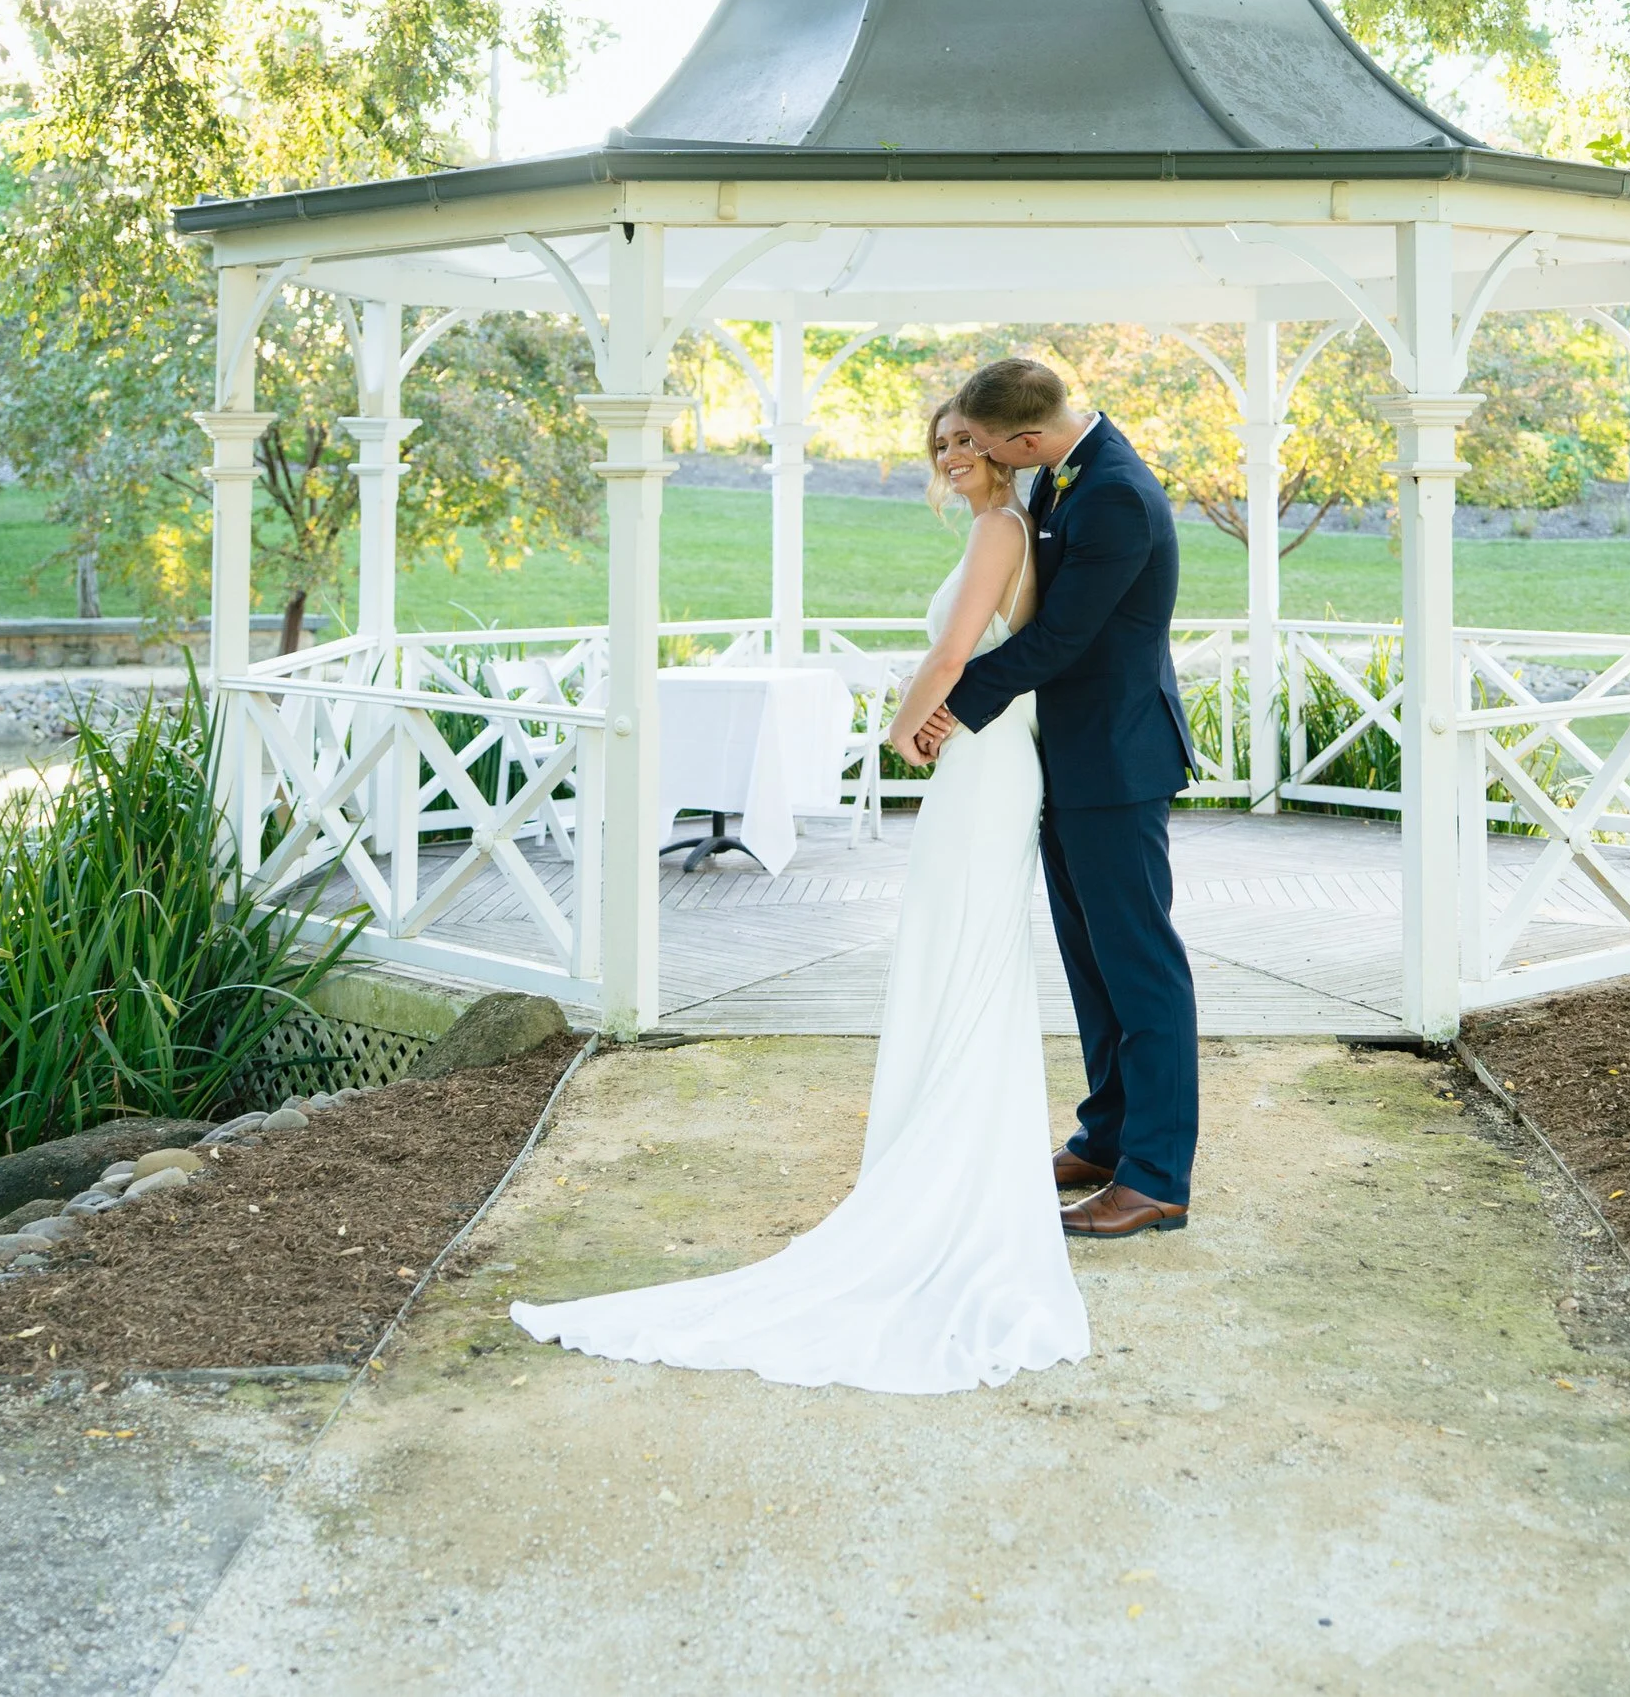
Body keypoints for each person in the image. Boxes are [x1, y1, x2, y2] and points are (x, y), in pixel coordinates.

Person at [509, 402, 1087, 1394]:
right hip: (987, 760)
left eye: (965, 438)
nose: (952, 454)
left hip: (984, 763)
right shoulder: (1010, 525)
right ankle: (950, 1155)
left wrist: (903, 729)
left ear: (1000, 444)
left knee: (963, 952)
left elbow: (954, 655)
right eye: (940, 443)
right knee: (960, 954)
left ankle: (952, 1172)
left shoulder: (1000, 528)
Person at [918, 356, 1199, 1240]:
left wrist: (947, 709)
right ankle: (1106, 1136)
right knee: (1093, 965)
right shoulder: (1065, 473)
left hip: (1116, 762)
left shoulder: (1113, 493)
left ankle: (1156, 1176)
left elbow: (1063, 639)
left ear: (1027, 438)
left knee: (1141, 968)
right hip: (1068, 759)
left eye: (985, 443)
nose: (976, 456)